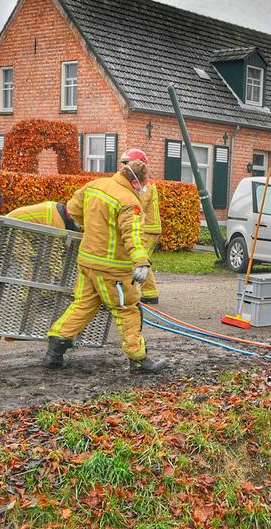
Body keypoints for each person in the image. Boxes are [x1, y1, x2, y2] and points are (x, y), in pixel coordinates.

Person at [43, 148, 168, 374]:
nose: (143, 189)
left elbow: (72, 210)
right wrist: (141, 261)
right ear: (135, 181)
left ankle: (55, 350)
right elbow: (133, 234)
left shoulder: (95, 185)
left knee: (83, 304)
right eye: (142, 184)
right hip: (113, 270)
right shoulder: (129, 200)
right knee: (127, 310)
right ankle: (139, 359)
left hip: (87, 263)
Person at [136, 171, 163, 305]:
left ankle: (147, 294)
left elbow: (139, 204)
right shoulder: (144, 184)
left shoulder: (145, 185)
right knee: (143, 261)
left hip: (148, 229)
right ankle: (150, 294)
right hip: (148, 228)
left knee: (138, 260)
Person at [6, 201, 78, 231]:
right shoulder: (57, 224)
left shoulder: (55, 208)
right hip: (13, 227)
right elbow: (53, 254)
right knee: (24, 260)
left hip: (12, 222)